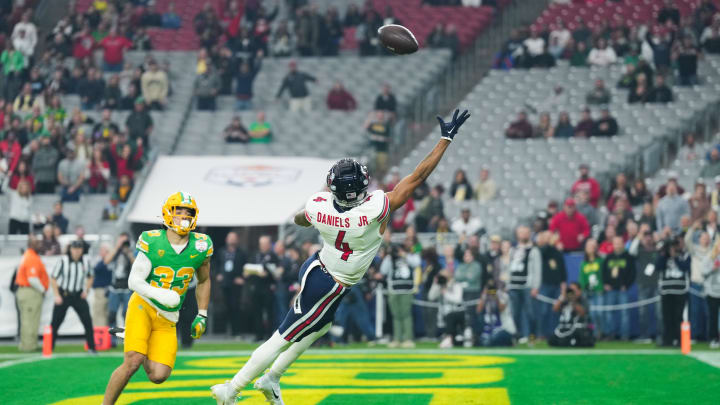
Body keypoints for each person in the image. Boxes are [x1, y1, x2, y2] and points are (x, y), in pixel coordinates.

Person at [211, 108, 470, 404]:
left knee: (321, 326)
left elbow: (302, 218)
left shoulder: (319, 204)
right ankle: (231, 389)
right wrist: (445, 139)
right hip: (330, 283)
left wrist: (304, 217)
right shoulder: (375, 209)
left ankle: (271, 378)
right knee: (282, 336)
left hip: (318, 268)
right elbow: (418, 176)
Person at [102, 192, 213, 404]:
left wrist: (202, 314)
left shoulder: (201, 245)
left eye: (188, 212)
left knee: (158, 375)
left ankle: (136, 337)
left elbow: (204, 280)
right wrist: (163, 294)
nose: (183, 216)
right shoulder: (152, 240)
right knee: (133, 361)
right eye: (178, 211)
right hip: (144, 306)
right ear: (167, 214)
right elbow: (134, 281)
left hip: (169, 316)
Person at [50, 240, 96, 352]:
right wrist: (57, 295)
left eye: (79, 249)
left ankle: (92, 348)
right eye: (74, 249)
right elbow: (53, 278)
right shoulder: (63, 260)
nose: (76, 251)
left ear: (81, 250)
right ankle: (49, 347)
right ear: (70, 249)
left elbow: (91, 276)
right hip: (64, 294)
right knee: (55, 323)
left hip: (78, 295)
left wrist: (86, 290)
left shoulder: (85, 261)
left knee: (87, 322)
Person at [381, 244, 420, 348]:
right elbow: (383, 270)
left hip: (407, 290)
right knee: (396, 315)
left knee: (406, 314)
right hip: (393, 290)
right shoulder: (390, 258)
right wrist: (388, 257)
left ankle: (408, 339)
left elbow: (417, 263)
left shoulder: (410, 256)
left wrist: (405, 255)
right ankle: (397, 339)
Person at [507, 226, 541, 343]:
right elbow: (509, 268)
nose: (523, 235)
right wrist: (508, 283)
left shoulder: (533, 250)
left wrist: (535, 286)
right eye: (521, 233)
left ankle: (532, 337)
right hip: (514, 286)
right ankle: (518, 336)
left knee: (531, 313)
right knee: (514, 313)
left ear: (529, 234)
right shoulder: (513, 250)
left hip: (527, 286)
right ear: (517, 235)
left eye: (526, 232)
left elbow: (537, 269)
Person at [14, 236, 49, 351]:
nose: (40, 245)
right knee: (30, 320)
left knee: (28, 319)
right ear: (32, 245)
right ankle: (29, 346)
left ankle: (28, 344)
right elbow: (32, 279)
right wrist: (43, 290)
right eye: (37, 243)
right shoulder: (31, 257)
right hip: (30, 292)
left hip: (27, 291)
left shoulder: (28, 255)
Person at [655, 237, 690, 346]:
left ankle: (679, 340)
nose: (673, 248)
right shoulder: (663, 256)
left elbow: (685, 268)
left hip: (680, 290)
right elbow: (658, 266)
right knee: (667, 317)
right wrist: (665, 254)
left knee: (678, 316)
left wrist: (675, 257)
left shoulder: (684, 255)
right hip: (666, 290)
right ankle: (668, 340)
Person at [629, 225, 660, 342]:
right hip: (643, 283)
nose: (648, 239)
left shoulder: (658, 250)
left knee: (659, 312)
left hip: (656, 283)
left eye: (649, 237)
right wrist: (638, 237)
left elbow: (664, 249)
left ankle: (660, 335)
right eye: (645, 237)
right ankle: (644, 335)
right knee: (643, 312)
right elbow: (631, 251)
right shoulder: (640, 250)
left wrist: (658, 239)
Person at [213, 231, 247, 337]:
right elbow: (216, 264)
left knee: (236, 307)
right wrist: (218, 274)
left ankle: (237, 331)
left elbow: (246, 267)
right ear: (226, 239)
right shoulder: (221, 252)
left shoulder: (241, 253)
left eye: (233, 238)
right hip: (225, 283)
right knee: (226, 307)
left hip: (236, 283)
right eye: (230, 238)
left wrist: (242, 277)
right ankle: (228, 331)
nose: (231, 240)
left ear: (237, 240)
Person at [602, 237, 635, 340]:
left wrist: (626, 285)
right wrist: (605, 284)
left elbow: (632, 273)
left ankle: (624, 335)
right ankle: (610, 334)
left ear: (623, 244)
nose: (617, 245)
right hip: (610, 289)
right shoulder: (608, 257)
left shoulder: (628, 257)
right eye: (615, 243)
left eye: (619, 243)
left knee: (625, 313)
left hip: (622, 289)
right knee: (609, 313)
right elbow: (603, 272)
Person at [684, 221, 712, 341]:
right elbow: (687, 240)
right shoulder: (694, 250)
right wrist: (692, 228)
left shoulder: (713, 252)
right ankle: (695, 335)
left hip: (708, 284)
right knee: (695, 312)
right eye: (703, 238)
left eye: (707, 238)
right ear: (699, 239)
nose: (705, 240)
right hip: (695, 284)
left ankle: (708, 335)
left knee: (708, 312)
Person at [536, 232, 567, 339]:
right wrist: (547, 243)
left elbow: (563, 273)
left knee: (555, 310)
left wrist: (563, 290)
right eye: (547, 237)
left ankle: (554, 333)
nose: (549, 239)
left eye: (550, 237)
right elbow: (541, 252)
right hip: (545, 285)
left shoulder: (558, 253)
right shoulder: (541, 251)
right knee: (543, 311)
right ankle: (542, 334)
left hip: (556, 286)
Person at [548, 282, 594, 347]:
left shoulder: (582, 299)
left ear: (579, 291)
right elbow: (554, 309)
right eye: (570, 290)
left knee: (576, 342)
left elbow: (583, 313)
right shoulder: (565, 299)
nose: (571, 292)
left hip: (577, 329)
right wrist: (562, 296)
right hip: (564, 328)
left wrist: (573, 300)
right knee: (552, 341)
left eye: (573, 290)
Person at [106, 233, 135, 331]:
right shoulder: (115, 251)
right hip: (115, 287)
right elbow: (106, 261)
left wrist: (128, 252)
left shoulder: (131, 252)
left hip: (127, 287)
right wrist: (117, 247)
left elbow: (136, 265)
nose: (123, 243)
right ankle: (112, 338)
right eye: (121, 241)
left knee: (127, 313)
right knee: (112, 314)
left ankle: (128, 336)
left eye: (125, 241)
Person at [476, 278, 515, 347]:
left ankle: (508, 342)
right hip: (489, 330)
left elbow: (501, 309)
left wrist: (496, 296)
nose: (491, 291)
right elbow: (478, 310)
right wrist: (484, 295)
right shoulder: (486, 298)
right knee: (482, 341)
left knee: (492, 340)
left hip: (502, 329)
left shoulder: (503, 296)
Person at [579, 238, 603, 337]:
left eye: (592, 246)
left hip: (598, 290)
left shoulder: (600, 261)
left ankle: (602, 332)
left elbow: (603, 275)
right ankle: (594, 332)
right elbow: (581, 278)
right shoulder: (583, 263)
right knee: (592, 314)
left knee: (600, 313)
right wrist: (584, 288)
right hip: (588, 292)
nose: (590, 248)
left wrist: (602, 287)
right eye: (588, 246)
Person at [705, 239, 720, 348]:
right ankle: (713, 338)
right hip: (712, 291)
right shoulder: (710, 257)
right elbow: (703, 271)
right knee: (713, 317)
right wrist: (712, 268)